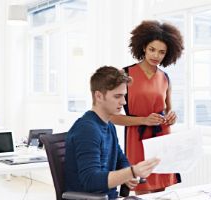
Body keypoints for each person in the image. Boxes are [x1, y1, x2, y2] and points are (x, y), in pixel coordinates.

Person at [109, 20, 184, 194]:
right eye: (152, 49)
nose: (156, 55)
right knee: (142, 190)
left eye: (161, 52)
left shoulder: (165, 78)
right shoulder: (124, 74)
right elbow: (112, 117)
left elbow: (167, 111)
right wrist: (144, 120)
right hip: (137, 139)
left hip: (162, 139)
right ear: (143, 47)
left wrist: (171, 117)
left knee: (162, 190)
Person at [64, 66, 161, 199]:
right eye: (117, 96)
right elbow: (90, 181)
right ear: (98, 96)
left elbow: (120, 159)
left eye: (124, 96)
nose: (123, 102)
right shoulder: (87, 129)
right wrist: (131, 172)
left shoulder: (108, 125)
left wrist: (129, 174)